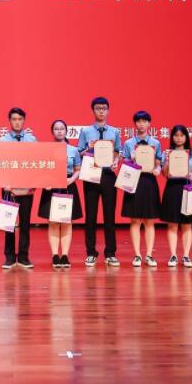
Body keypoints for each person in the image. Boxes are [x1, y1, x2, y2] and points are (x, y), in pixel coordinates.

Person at [76, 96, 122, 267]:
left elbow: (117, 152)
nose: (101, 111)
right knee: (91, 216)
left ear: (108, 111)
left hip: (108, 175)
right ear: (93, 111)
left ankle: (110, 253)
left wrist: (116, 161)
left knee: (109, 216)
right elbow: (79, 153)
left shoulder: (114, 132)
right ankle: (91, 253)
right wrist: (88, 149)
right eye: (98, 108)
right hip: (91, 175)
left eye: (104, 108)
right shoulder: (86, 132)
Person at [37, 120, 83, 269]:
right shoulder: (47, 150)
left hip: (68, 186)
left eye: (62, 128)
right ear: (52, 132)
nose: (59, 131)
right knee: (53, 222)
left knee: (67, 222)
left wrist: (71, 180)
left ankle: (65, 255)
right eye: (56, 129)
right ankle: (55, 255)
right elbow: (42, 169)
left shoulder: (73, 150)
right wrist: (46, 182)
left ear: (66, 131)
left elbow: (78, 169)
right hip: (52, 188)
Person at [120, 111, 164, 267]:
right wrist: (131, 159)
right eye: (139, 121)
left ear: (149, 124)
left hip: (149, 181)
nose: (141, 124)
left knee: (149, 220)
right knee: (135, 220)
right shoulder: (128, 143)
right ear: (135, 124)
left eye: (144, 121)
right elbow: (124, 163)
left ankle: (149, 255)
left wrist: (157, 169)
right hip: (133, 180)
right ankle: (137, 255)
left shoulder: (155, 143)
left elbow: (159, 162)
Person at [0, 108, 37, 269]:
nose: (17, 122)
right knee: (9, 223)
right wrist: (3, 183)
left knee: (25, 223)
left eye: (20, 119)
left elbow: (37, 163)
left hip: (26, 188)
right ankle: (9, 257)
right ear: (10, 121)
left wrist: (34, 183)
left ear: (24, 120)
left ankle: (23, 256)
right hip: (9, 187)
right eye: (14, 119)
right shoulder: (3, 141)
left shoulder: (32, 140)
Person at [159, 125, 192, 268]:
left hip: (187, 188)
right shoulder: (167, 153)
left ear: (186, 137)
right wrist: (167, 160)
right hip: (172, 188)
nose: (178, 138)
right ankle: (173, 255)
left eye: (181, 135)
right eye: (176, 135)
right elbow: (164, 174)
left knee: (187, 224)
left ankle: (186, 256)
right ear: (172, 137)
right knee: (172, 224)